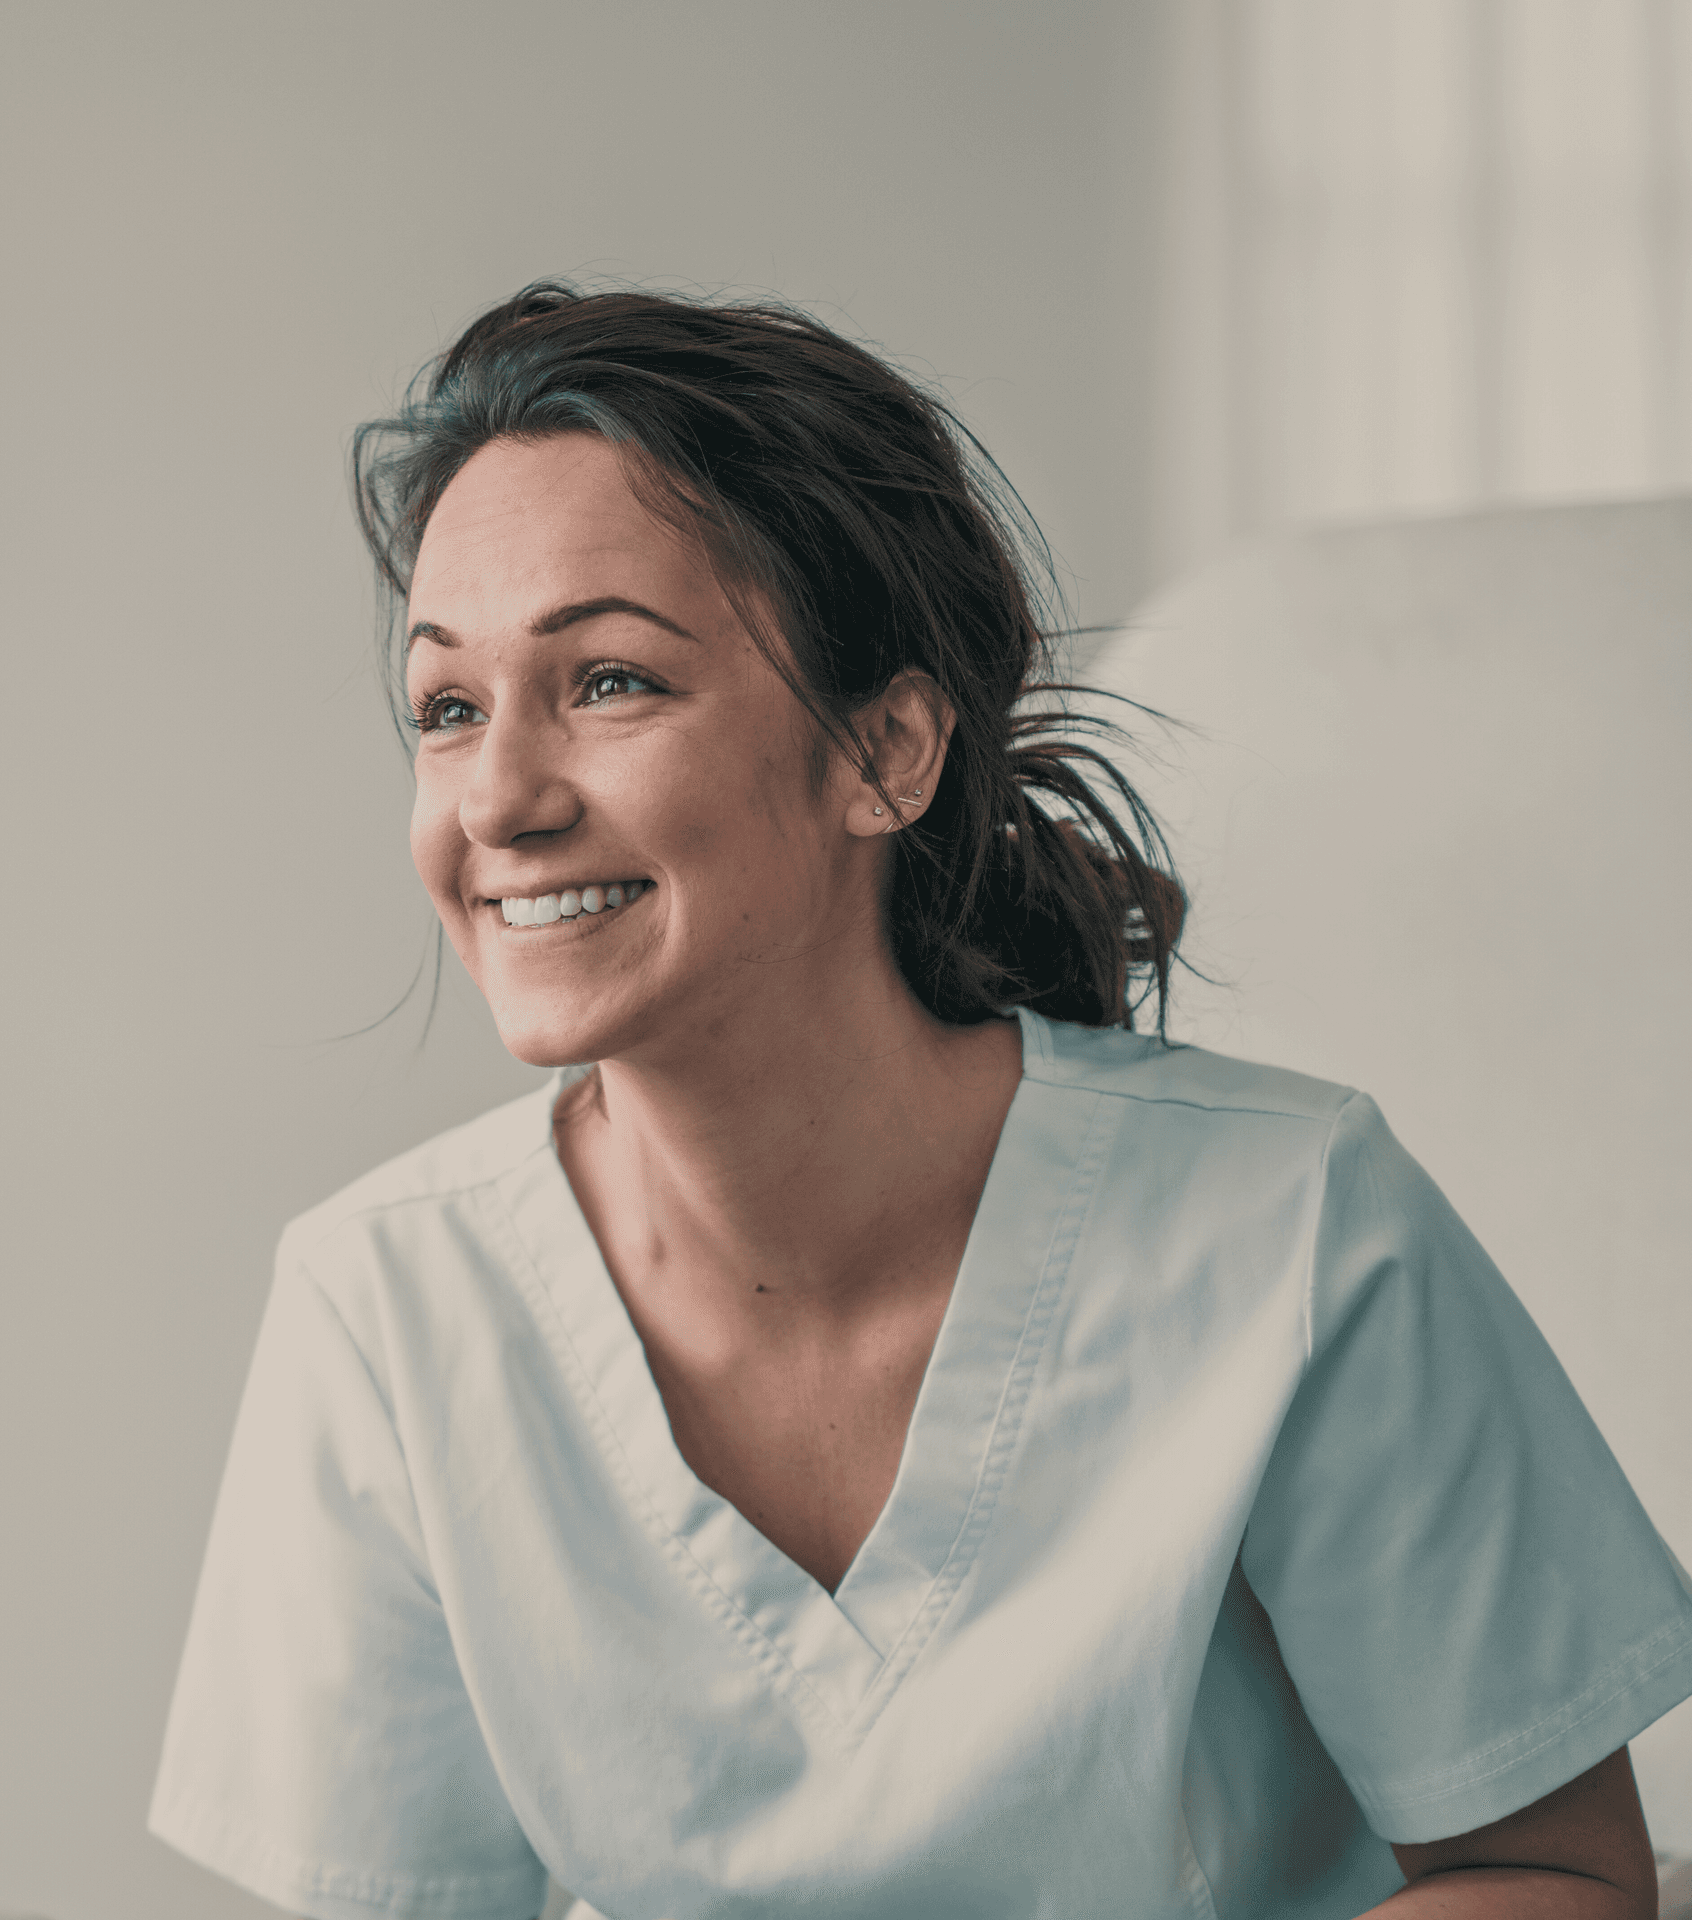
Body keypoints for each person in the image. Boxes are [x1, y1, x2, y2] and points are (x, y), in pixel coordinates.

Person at [148, 284, 1692, 1920]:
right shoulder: (385, 1308)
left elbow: (1551, 1875)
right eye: (449, 710)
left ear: (885, 751)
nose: (499, 801)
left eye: (608, 681)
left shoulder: (1297, 1226)